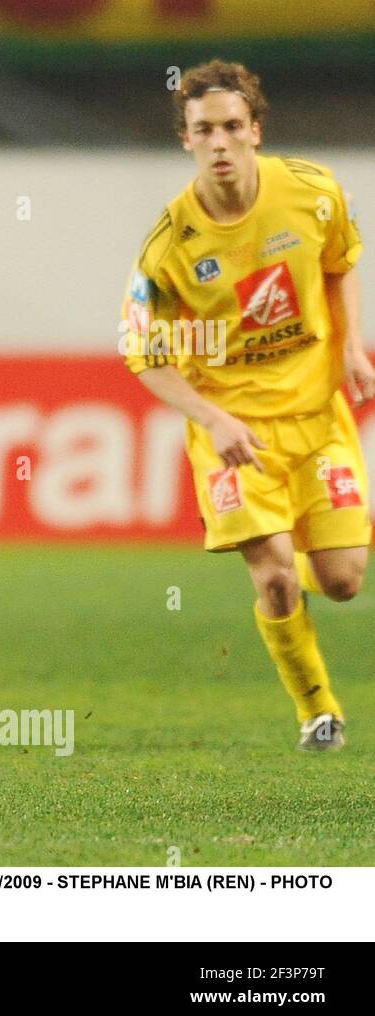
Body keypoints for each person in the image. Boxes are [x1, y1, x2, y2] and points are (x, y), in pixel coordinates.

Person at [122, 60, 371, 751]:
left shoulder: (314, 193)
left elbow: (340, 261)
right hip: (234, 433)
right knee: (275, 572)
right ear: (187, 141)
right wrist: (213, 418)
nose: (221, 141)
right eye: (205, 130)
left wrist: (353, 346)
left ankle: (302, 593)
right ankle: (317, 709)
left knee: (344, 580)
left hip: (319, 418)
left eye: (233, 126)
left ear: (256, 130)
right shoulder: (168, 250)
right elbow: (145, 356)